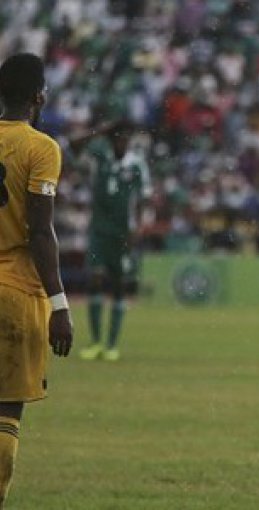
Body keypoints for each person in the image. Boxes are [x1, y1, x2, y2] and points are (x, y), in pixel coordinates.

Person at [0, 52, 74, 507]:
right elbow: (40, 230)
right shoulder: (40, 147)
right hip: (16, 290)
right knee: (6, 414)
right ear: (37, 96)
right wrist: (60, 305)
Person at [70, 120, 151, 362]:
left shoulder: (136, 164)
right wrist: (99, 130)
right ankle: (96, 342)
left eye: (125, 138)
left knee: (118, 286)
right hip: (99, 230)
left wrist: (138, 227)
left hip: (123, 233)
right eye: (117, 138)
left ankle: (112, 345)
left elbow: (143, 198)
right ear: (111, 139)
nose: (122, 142)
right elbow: (73, 146)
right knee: (95, 280)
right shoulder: (99, 157)